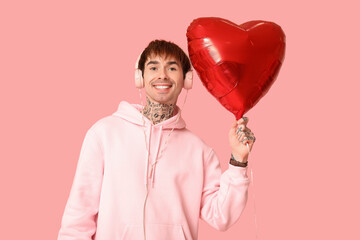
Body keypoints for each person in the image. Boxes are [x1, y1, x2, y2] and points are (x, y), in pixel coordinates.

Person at [57, 39, 256, 240]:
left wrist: (238, 161)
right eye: (153, 67)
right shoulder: (103, 134)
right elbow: (78, 219)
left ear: (187, 79)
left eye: (172, 68)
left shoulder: (200, 151)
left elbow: (221, 216)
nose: (162, 75)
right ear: (140, 77)